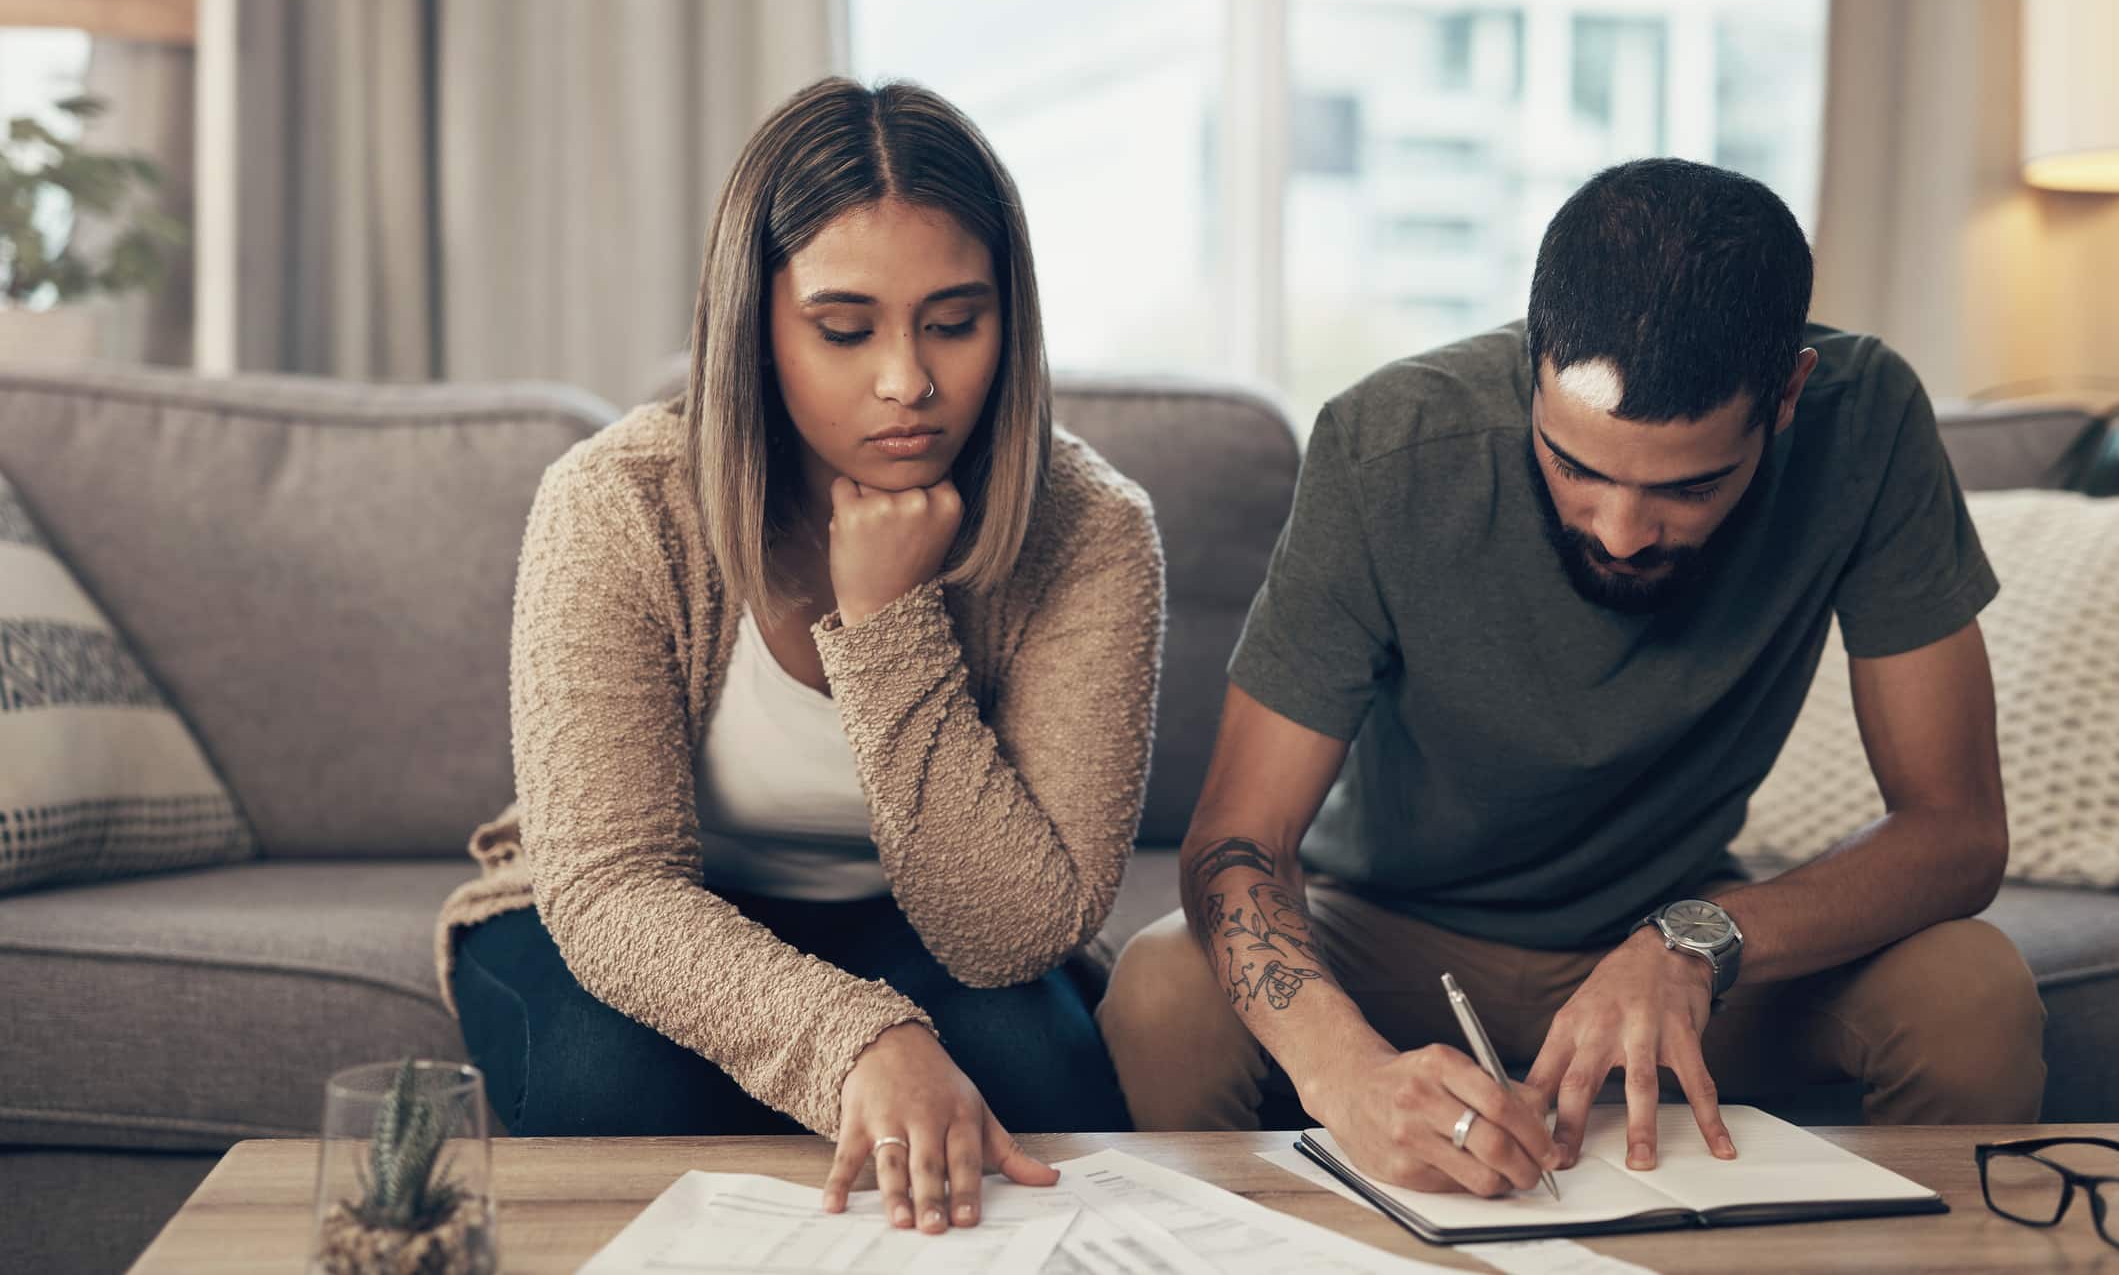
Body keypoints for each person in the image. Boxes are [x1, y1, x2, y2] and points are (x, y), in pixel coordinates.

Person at [1097, 157, 2044, 1200]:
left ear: (1785, 399)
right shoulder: (1385, 446)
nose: (1623, 531)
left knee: (1971, 990)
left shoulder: (1867, 423)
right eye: (1575, 465)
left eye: (1689, 487)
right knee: (1161, 991)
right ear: (1531, 370)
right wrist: (1349, 1076)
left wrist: (1694, 941)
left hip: (1679, 942)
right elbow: (1237, 840)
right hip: (1394, 930)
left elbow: (1955, 831)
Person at [435, 78, 1163, 1236]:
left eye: (954, 320)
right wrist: (857, 1036)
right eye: (843, 328)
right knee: (619, 1090)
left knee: (1035, 1083)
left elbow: (1018, 930)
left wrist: (885, 626)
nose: (906, 381)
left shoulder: (1091, 531)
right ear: (756, 327)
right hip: (646, 913)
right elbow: (612, 887)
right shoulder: (615, 502)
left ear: (1008, 322)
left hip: (917, 922)